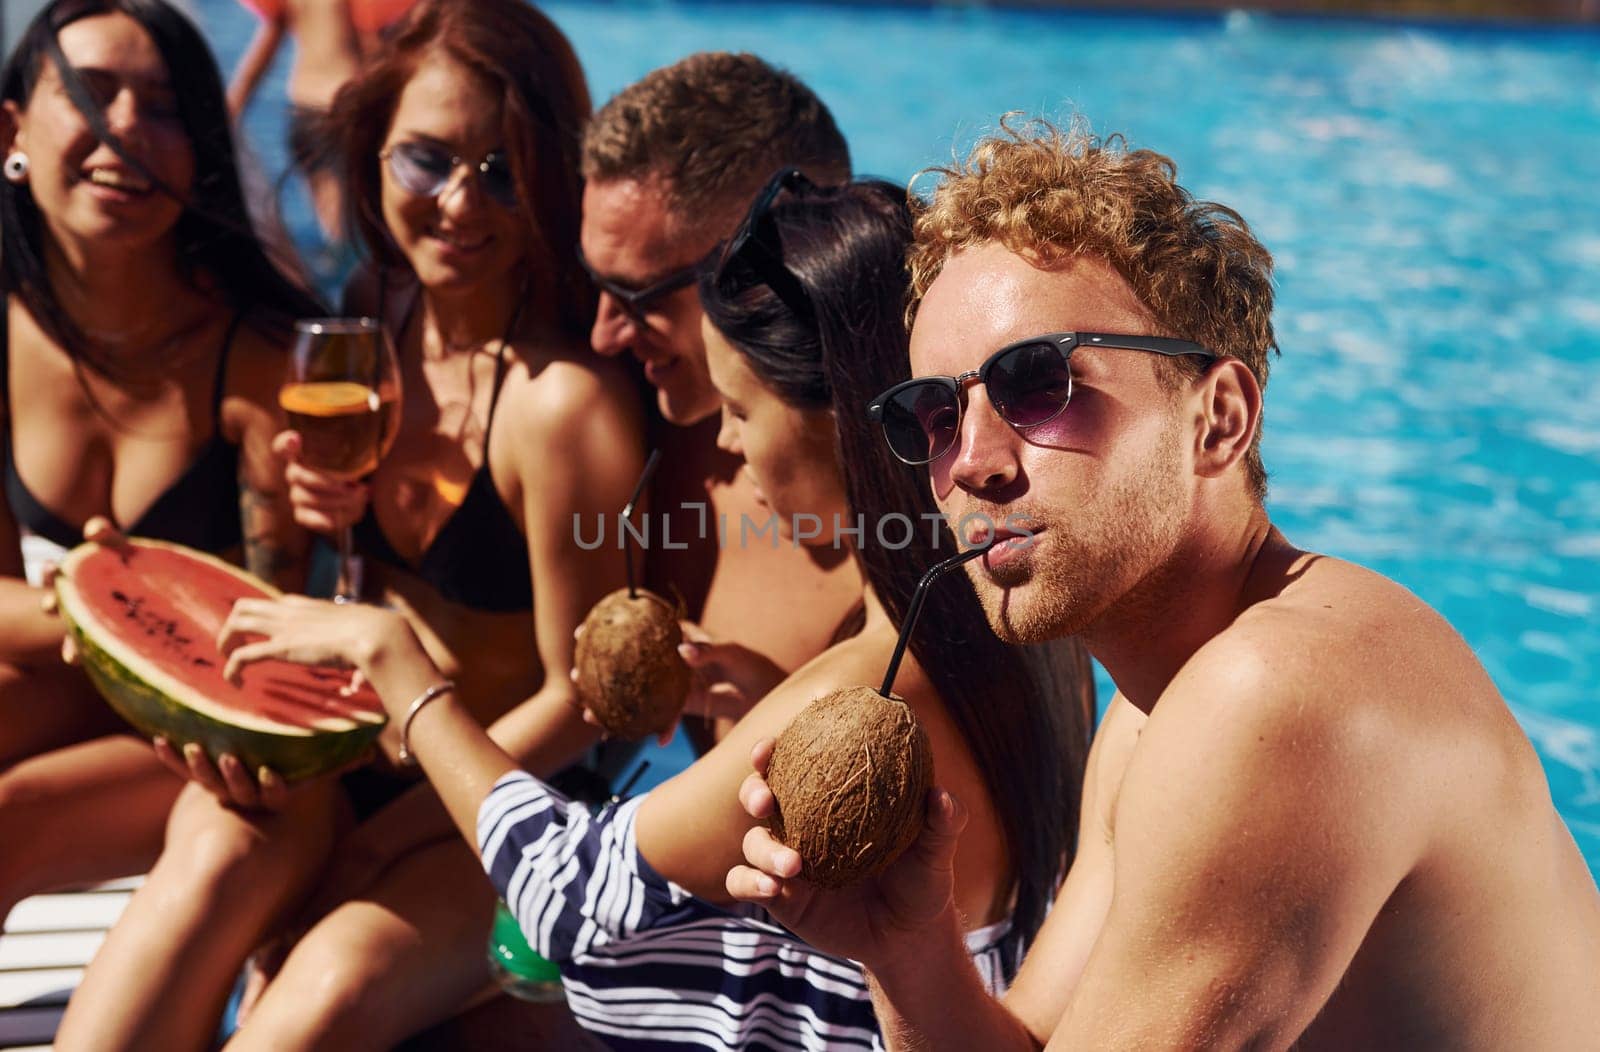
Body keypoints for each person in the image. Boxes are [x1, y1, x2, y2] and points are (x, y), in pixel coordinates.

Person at [727, 119, 1600, 1049]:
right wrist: (907, 952)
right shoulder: (1151, 714)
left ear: (1217, 419)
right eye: (935, 413)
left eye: (1035, 384)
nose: (970, 463)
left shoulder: (1277, 694)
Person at [210, 172, 1097, 1050]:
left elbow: (564, 898)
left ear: (841, 422)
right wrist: (764, 698)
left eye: (740, 409)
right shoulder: (1015, 618)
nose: (724, 442)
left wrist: (401, 668)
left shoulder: (860, 688)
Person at [55, 2, 644, 1049]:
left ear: (549, 181)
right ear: (371, 154)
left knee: (318, 994)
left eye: (502, 171)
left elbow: (584, 701)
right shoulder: (375, 315)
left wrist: (378, 847)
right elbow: (335, 590)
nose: (460, 202)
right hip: (342, 758)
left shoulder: (563, 407)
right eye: (427, 160)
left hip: (500, 806)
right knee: (194, 885)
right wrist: (316, 522)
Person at [0, 0, 320, 925]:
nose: (128, 130)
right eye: (92, 95)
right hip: (75, 684)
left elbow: (276, 656)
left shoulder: (258, 358)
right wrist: (101, 605)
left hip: (229, 743)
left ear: (201, 149)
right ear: (12, 130)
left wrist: (101, 611)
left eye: (168, 105)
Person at [576, 52, 864, 754]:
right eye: (595, 283)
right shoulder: (652, 432)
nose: (603, 334)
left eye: (641, 299)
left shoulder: (940, 518)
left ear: (781, 259)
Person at [227, 0, 419, 242]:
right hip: (345, 112)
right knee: (357, 231)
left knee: (332, 229)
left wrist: (232, 109)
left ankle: (323, 276)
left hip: (302, 112)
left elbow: (264, 50)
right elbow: (375, 48)